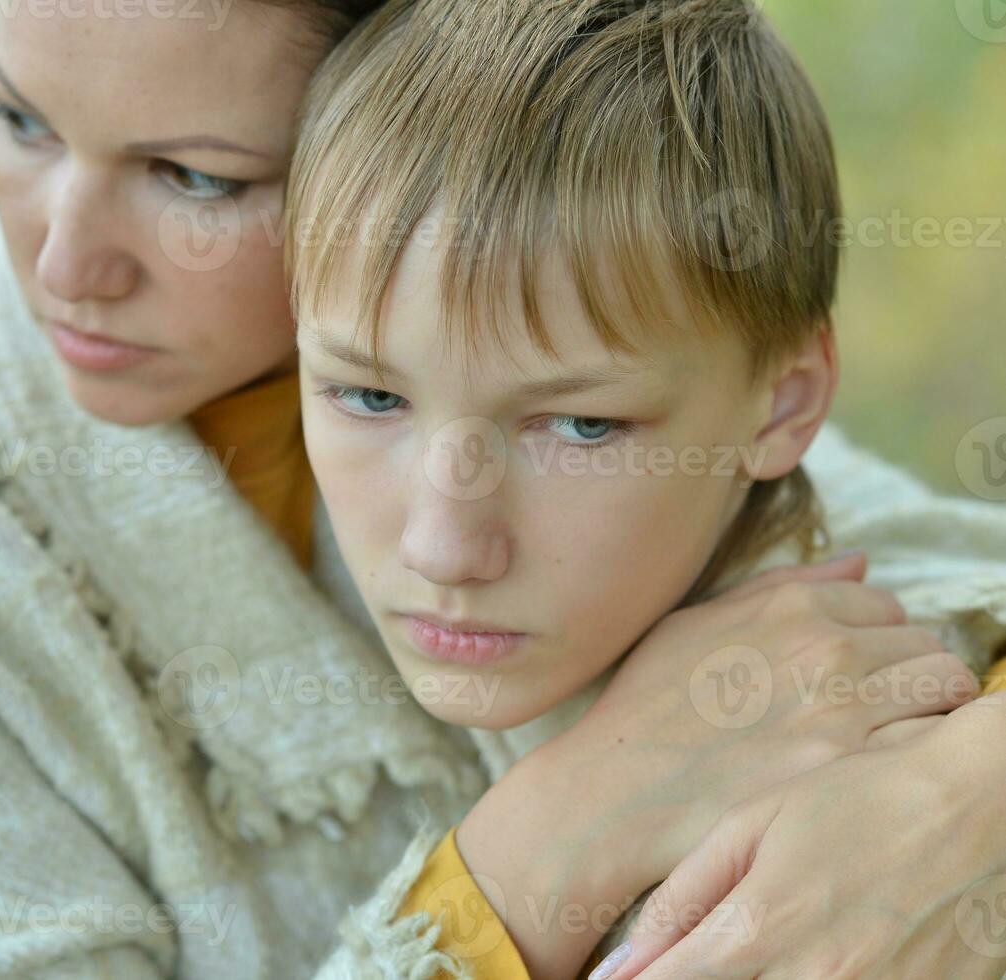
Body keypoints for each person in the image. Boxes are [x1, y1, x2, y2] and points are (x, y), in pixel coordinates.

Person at [0, 0, 1006, 976]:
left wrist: (951, 799)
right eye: (16, 116)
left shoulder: (518, 338)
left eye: (197, 175)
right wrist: (548, 847)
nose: (65, 265)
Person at [284, 0, 1006, 977]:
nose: (441, 546)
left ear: (781, 404)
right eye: (369, 395)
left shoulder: (878, 844)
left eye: (582, 425)